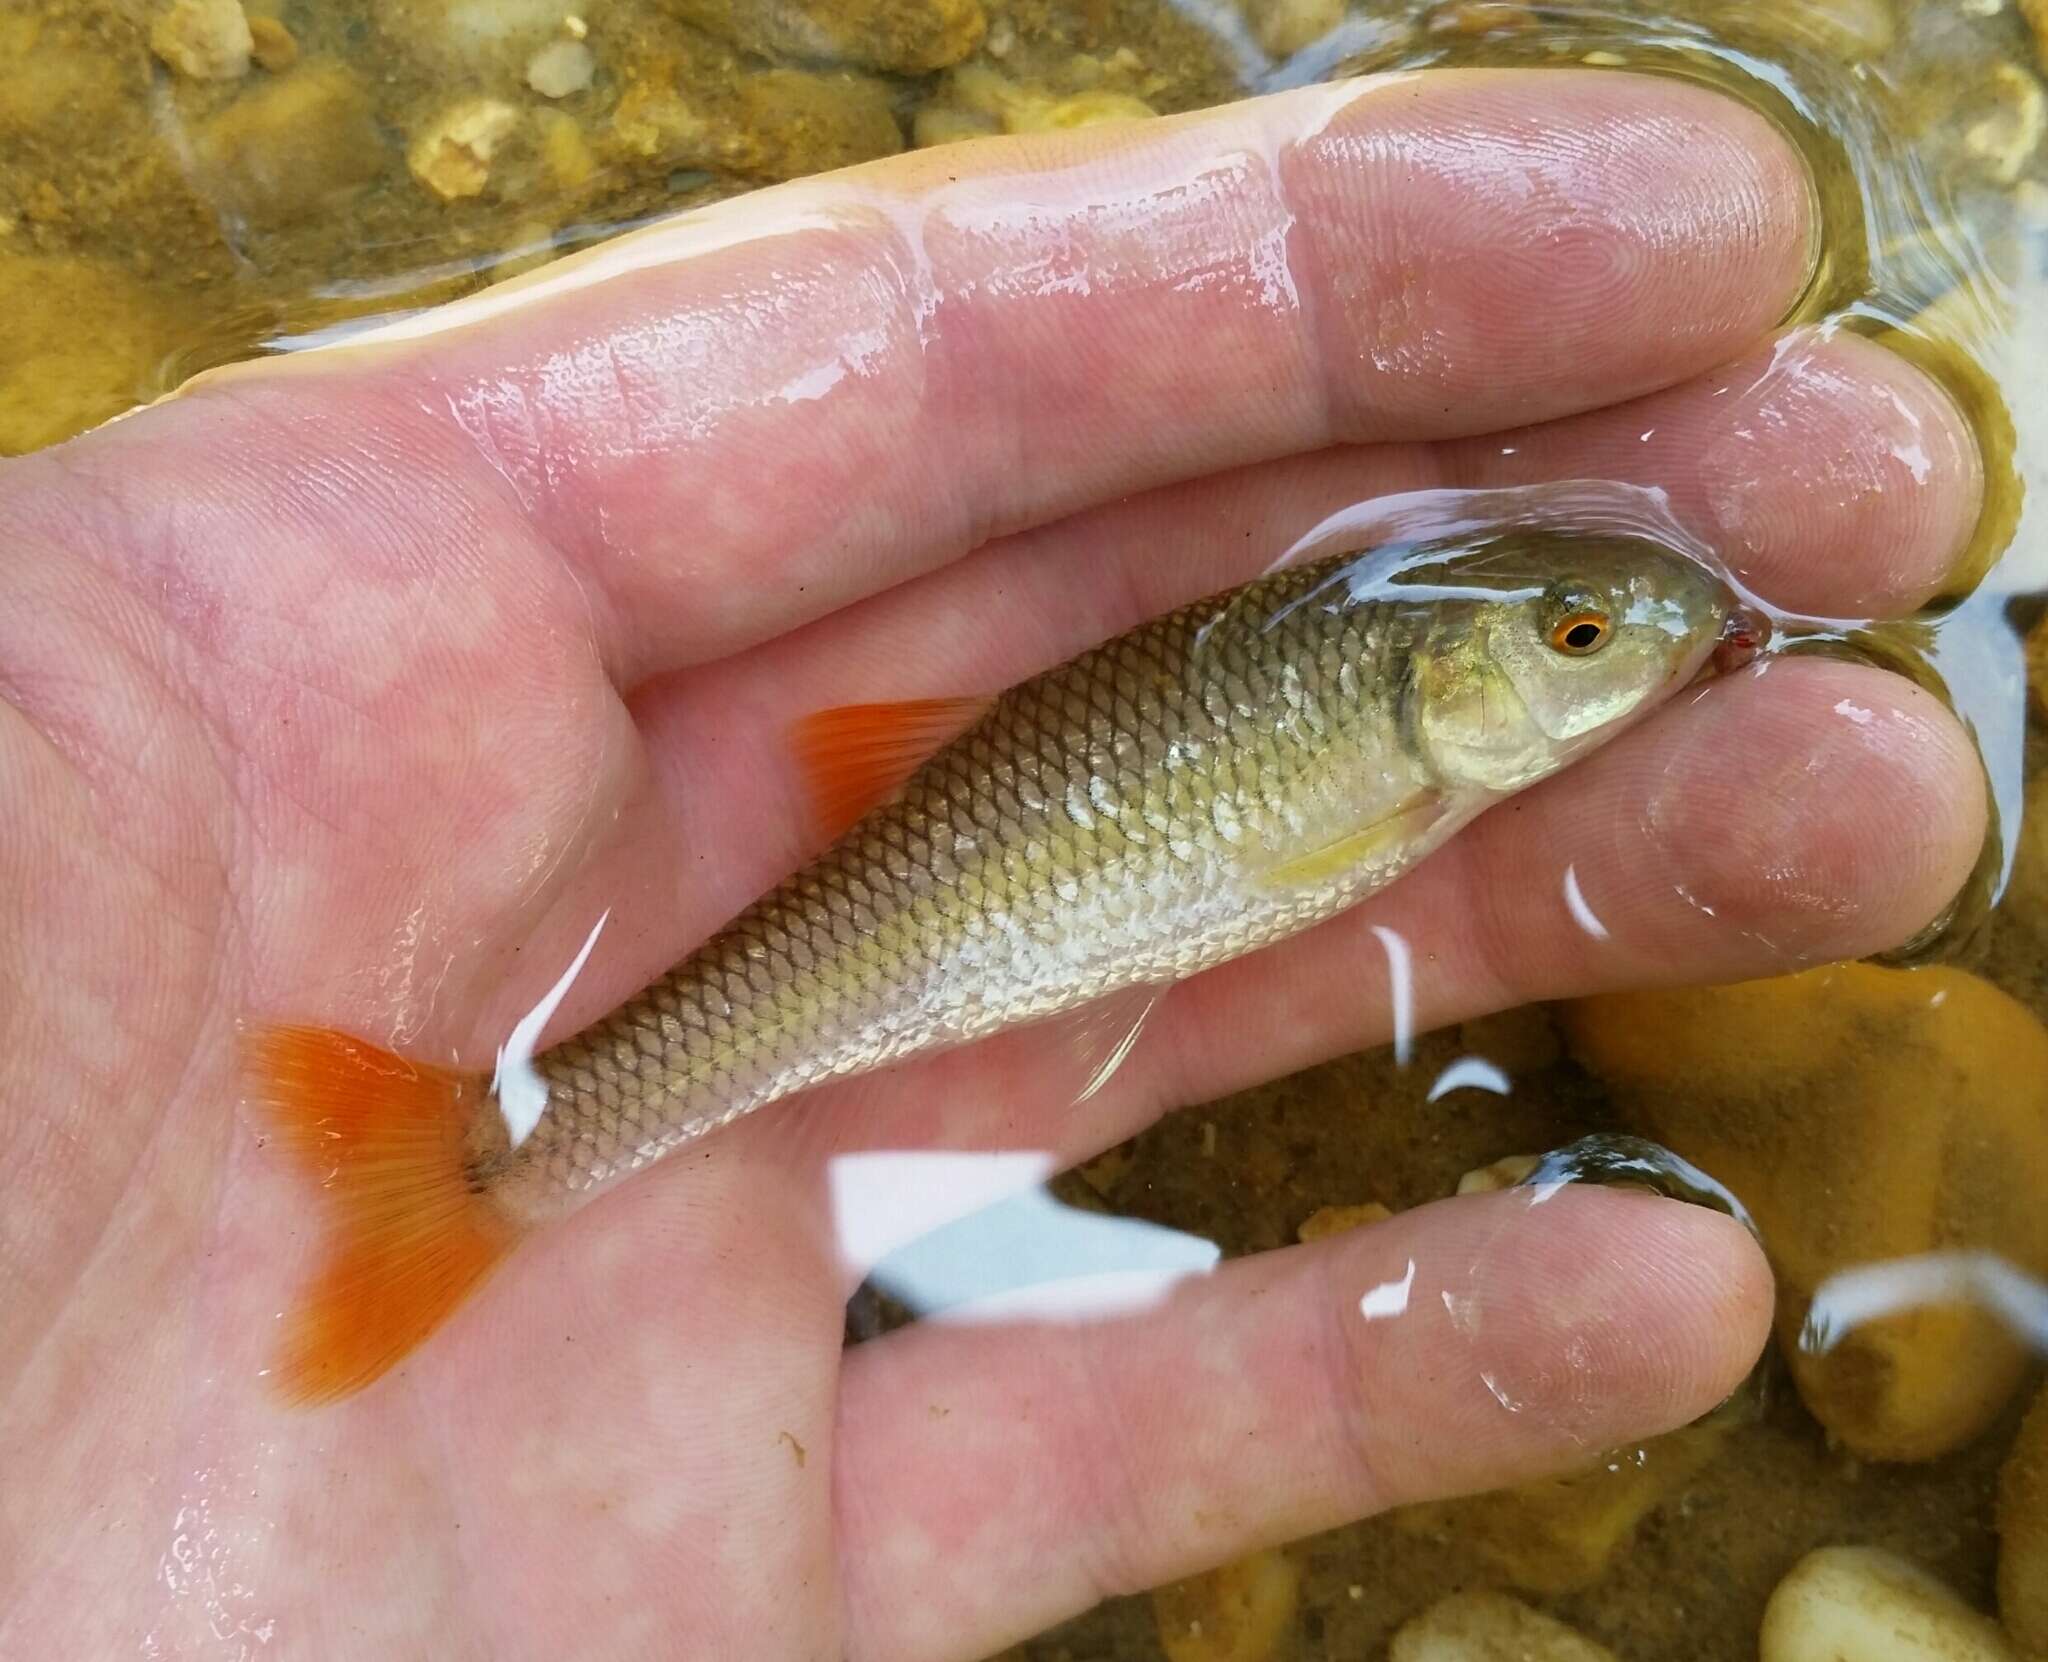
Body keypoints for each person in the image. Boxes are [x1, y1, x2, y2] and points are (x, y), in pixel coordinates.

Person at [0, 66, 1987, 1662]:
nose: (1613, 660)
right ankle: (489, 1171)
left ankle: (476, 1170)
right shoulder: (1380, 752)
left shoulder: (1413, 725)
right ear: (1449, 663)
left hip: (1025, 876)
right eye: (1570, 643)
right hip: (983, 902)